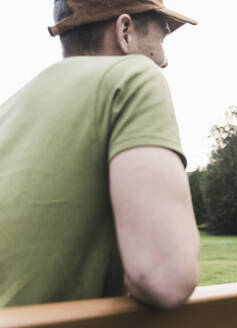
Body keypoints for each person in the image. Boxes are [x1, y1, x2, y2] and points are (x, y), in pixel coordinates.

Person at [0, 0, 200, 308]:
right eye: (161, 39)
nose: (163, 60)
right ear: (124, 31)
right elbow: (165, 276)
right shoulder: (133, 77)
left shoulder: (9, 108)